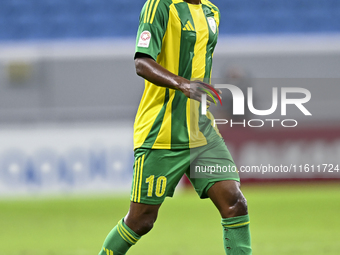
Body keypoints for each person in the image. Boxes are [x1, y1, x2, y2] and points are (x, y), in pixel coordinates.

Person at [99, 0, 252, 254]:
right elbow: (142, 62)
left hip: (201, 131)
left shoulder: (211, 12)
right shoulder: (160, 6)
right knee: (141, 221)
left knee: (235, 203)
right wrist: (183, 84)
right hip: (162, 131)